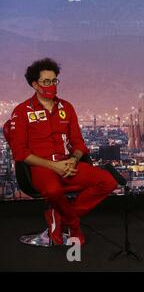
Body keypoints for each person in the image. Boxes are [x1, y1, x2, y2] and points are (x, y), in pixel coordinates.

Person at [8, 58, 117, 245]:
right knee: (52, 190)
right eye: (46, 82)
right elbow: (20, 153)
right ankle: (73, 224)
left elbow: (78, 143)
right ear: (35, 84)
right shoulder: (22, 111)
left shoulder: (66, 107)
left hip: (68, 163)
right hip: (41, 167)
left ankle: (62, 218)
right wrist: (54, 166)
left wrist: (74, 160)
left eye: (54, 81)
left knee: (108, 181)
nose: (52, 85)